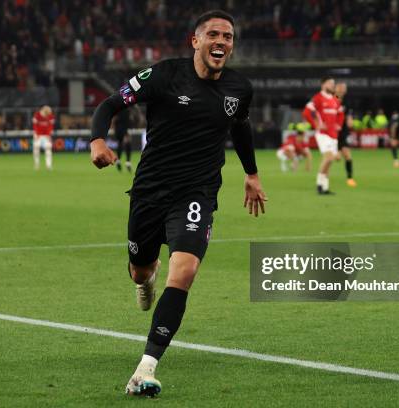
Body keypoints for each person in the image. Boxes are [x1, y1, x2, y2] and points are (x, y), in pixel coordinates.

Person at [89, 10, 266, 398]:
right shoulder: (163, 75)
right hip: (150, 192)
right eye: (214, 35)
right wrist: (98, 140)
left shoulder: (239, 89)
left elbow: (241, 128)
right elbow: (109, 105)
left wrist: (251, 174)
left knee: (183, 272)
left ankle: (145, 368)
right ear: (196, 41)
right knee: (140, 270)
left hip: (197, 193)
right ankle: (145, 279)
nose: (222, 42)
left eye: (229, 37)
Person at [302, 77, 342, 195]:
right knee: (328, 158)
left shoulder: (335, 97)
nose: (333, 85)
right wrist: (317, 124)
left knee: (330, 161)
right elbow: (307, 111)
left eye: (333, 83)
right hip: (323, 134)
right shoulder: (318, 98)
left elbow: (340, 111)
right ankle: (319, 185)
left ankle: (325, 187)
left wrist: (338, 125)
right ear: (323, 85)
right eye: (330, 83)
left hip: (333, 134)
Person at [334, 82, 356, 187]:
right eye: (340, 87)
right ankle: (323, 178)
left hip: (343, 133)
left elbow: (350, 115)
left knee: (347, 156)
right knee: (335, 158)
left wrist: (350, 119)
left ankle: (350, 178)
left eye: (344, 88)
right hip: (332, 133)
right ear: (335, 89)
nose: (342, 90)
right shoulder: (331, 100)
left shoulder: (347, 102)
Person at [32, 105, 55, 170]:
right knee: (36, 150)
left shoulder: (50, 116)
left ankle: (49, 165)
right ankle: (37, 164)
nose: (48, 115)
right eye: (47, 113)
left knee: (48, 150)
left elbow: (50, 126)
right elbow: (35, 126)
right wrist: (36, 134)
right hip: (38, 135)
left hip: (46, 136)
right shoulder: (37, 115)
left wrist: (49, 135)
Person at [113, 108, 133, 172]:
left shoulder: (117, 108)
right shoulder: (127, 109)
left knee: (120, 143)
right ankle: (128, 162)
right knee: (128, 142)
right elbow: (130, 119)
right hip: (123, 128)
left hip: (118, 129)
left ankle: (118, 160)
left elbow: (114, 119)